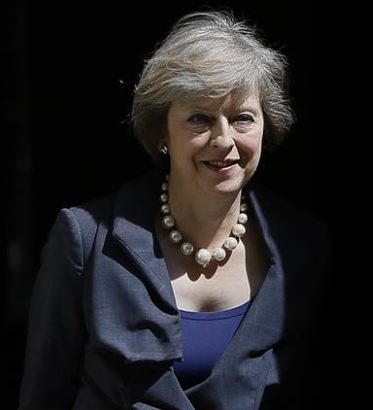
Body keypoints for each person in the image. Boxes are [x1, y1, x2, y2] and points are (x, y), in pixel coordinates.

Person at [18, 10, 331, 410]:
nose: (224, 139)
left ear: (266, 126)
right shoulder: (86, 240)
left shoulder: (302, 249)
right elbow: (44, 396)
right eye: (200, 119)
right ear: (161, 133)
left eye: (242, 118)